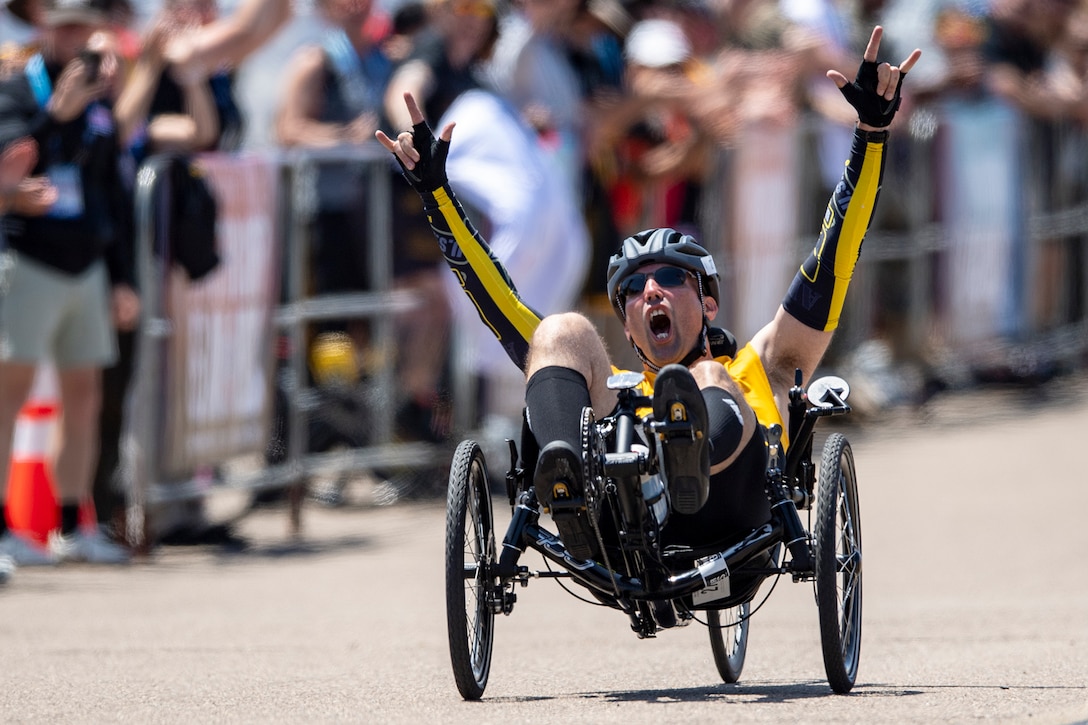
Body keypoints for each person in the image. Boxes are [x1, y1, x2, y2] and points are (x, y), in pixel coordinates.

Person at [377, 26, 920, 559]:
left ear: (709, 303)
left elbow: (834, 258)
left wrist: (871, 134)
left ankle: (689, 453)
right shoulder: (618, 394)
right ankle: (568, 483)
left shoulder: (765, 365)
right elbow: (500, 304)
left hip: (735, 512)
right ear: (630, 324)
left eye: (669, 279)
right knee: (561, 331)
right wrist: (436, 194)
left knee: (705, 375)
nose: (650, 293)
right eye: (633, 289)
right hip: (622, 522)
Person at [0, 0, 138, 564]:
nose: (74, 34)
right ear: (44, 27)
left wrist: (122, 278)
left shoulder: (102, 98)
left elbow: (112, 192)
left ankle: (72, 527)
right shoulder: (15, 88)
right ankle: (5, 533)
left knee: (84, 398)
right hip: (29, 260)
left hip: (88, 267)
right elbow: (14, 160)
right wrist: (55, 115)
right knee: (10, 396)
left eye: (83, 23)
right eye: (64, 23)